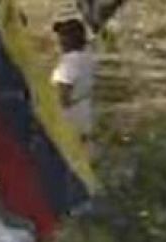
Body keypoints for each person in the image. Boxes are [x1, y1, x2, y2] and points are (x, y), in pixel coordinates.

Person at [51, 5, 95, 144]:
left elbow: (62, 96)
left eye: (62, 35)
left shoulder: (70, 62)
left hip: (68, 122)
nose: (59, 40)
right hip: (83, 117)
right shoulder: (87, 58)